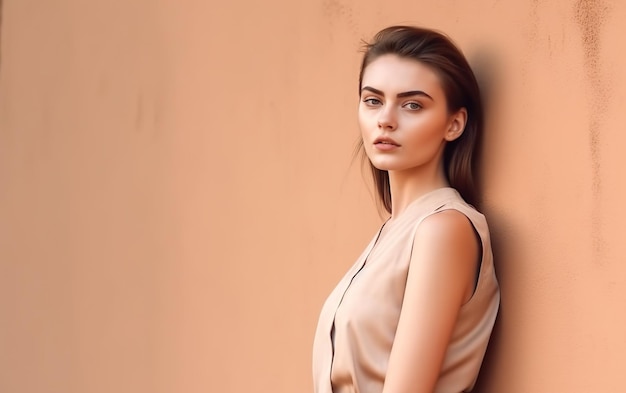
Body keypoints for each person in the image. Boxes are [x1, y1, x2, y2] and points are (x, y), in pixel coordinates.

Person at [312, 26, 500, 393]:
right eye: (373, 100)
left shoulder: (444, 229)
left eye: (412, 104)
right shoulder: (394, 232)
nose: (386, 119)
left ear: (454, 124)